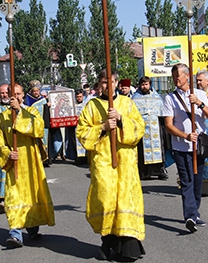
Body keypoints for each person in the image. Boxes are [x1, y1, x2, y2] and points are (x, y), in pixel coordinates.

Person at [76, 69, 146, 260]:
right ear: (99, 85)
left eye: (111, 82)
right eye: (103, 82)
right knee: (106, 200)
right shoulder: (92, 106)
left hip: (125, 161)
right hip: (103, 161)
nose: (107, 85)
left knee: (125, 201)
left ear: (116, 83)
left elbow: (140, 128)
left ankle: (127, 247)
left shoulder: (127, 103)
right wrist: (103, 127)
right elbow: (81, 133)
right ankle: (106, 240)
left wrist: (122, 119)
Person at [0, 83, 55, 249]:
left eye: (19, 94)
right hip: (15, 163)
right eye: (12, 94)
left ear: (23, 95)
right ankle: (15, 233)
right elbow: (0, 143)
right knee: (14, 196)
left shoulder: (32, 111)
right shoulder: (2, 118)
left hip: (31, 161)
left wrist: (20, 112)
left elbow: (38, 129)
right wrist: (8, 153)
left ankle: (32, 228)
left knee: (32, 195)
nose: (16, 96)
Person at [162, 63, 208, 233]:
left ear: (187, 76)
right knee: (187, 182)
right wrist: (185, 136)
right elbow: (168, 125)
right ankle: (190, 216)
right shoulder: (170, 98)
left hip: (199, 147)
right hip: (181, 147)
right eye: (174, 76)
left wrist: (198, 103)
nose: (176, 79)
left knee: (198, 182)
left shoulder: (199, 94)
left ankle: (195, 212)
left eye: (179, 76)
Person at [132, 76, 168, 180]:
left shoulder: (156, 97)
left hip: (155, 127)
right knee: (142, 150)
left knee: (159, 148)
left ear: (150, 84)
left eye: (146, 84)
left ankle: (160, 170)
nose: (144, 86)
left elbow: (161, 111)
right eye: (142, 84)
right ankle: (144, 172)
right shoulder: (135, 98)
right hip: (142, 129)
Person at [65, 89, 86, 162]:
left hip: (84, 126)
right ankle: (77, 157)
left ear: (83, 96)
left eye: (80, 96)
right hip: (74, 126)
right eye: (77, 97)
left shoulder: (86, 104)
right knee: (74, 141)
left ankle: (85, 157)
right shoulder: (72, 104)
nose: (79, 98)